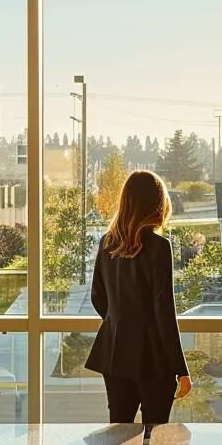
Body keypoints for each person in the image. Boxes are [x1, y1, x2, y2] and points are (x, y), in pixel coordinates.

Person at [85, 170, 192, 424]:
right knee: (154, 439)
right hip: (152, 358)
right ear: (157, 204)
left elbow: (97, 297)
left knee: (118, 435)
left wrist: (119, 321)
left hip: (114, 351)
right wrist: (181, 369)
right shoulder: (159, 248)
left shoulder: (106, 243)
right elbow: (163, 313)